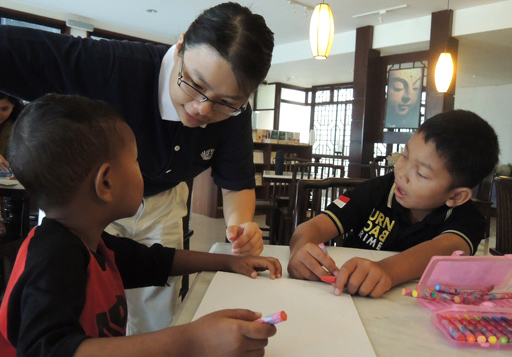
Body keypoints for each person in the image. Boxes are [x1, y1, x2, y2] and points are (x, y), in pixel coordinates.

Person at [0, 2, 274, 333]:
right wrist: (192, 341)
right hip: (84, 205)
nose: (203, 109)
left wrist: (241, 229)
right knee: (84, 309)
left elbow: (235, 181)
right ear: (180, 45)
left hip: (164, 202)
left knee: (154, 312)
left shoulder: (235, 113)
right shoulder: (113, 65)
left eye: (225, 102)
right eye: (195, 84)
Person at [0, 94, 282, 356]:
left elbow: (153, 260)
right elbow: (47, 349)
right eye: (136, 161)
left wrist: (227, 262)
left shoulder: (89, 241)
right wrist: (194, 340)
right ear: (106, 182)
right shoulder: (54, 259)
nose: (143, 171)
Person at [288, 110, 499, 298]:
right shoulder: (378, 190)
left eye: (422, 173)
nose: (401, 172)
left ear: (456, 196)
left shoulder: (468, 219)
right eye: (404, 156)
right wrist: (301, 250)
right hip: (341, 297)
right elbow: (312, 228)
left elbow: (445, 249)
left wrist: (387, 270)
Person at [0, 92, 24, 237]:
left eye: (4, 109)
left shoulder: (18, 126)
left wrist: (21, 168)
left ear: (13, 107)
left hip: (11, 183)